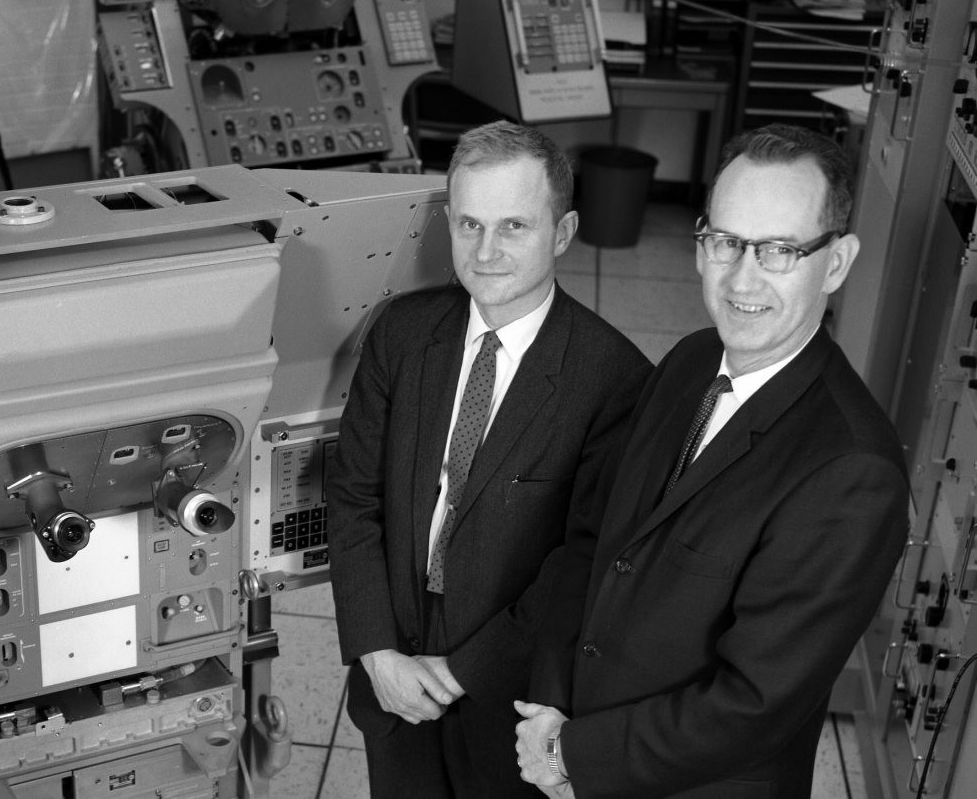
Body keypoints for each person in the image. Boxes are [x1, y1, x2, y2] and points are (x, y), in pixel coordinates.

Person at [514, 124, 909, 799]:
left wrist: (574, 753)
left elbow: (754, 703)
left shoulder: (851, 472)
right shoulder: (690, 360)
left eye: (781, 250)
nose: (742, 277)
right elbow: (593, 539)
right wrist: (549, 704)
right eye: (725, 241)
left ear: (836, 264)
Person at [327, 121, 652, 798]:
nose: (486, 250)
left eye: (514, 227)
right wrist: (377, 650)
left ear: (561, 234)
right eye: (469, 225)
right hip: (394, 660)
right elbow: (355, 494)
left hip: (510, 688)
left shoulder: (614, 379)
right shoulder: (402, 333)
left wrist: (459, 672)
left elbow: (584, 560)